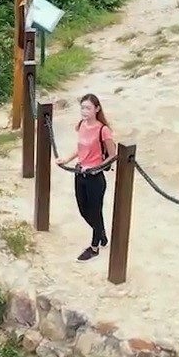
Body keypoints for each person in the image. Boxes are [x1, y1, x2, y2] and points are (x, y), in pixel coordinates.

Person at [56, 93, 115, 262]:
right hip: (80, 173)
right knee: (84, 210)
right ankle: (101, 233)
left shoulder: (103, 130)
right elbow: (80, 149)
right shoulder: (81, 125)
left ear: (97, 109)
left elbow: (113, 155)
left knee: (95, 212)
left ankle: (94, 246)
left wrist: (96, 167)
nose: (85, 111)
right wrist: (66, 159)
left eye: (88, 108)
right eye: (82, 107)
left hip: (95, 177)